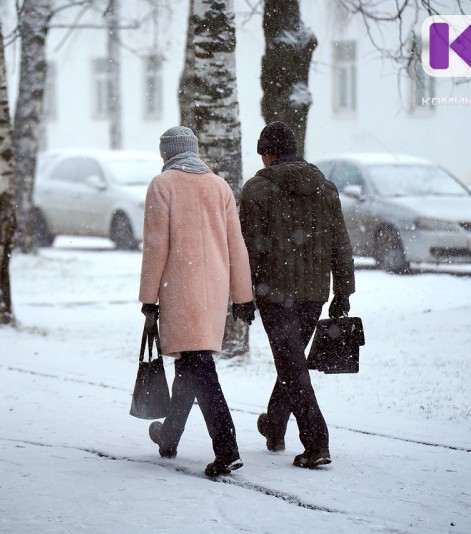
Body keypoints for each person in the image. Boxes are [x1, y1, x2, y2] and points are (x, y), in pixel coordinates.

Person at [139, 126, 256, 478]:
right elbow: (237, 246)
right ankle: (168, 437)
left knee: (200, 369)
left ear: (167, 153)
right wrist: (242, 297)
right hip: (214, 291)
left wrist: (148, 298)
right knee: (192, 365)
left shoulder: (162, 185)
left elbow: (156, 246)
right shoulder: (219, 186)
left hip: (179, 289)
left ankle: (227, 449)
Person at [239, 121, 355, 468]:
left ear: (267, 153)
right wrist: (343, 290)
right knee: (292, 362)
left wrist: (243, 296)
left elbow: (249, 250)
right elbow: (341, 244)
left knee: (290, 365)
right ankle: (274, 426)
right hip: (314, 292)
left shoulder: (257, 190)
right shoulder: (325, 188)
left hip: (274, 294)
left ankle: (317, 443)